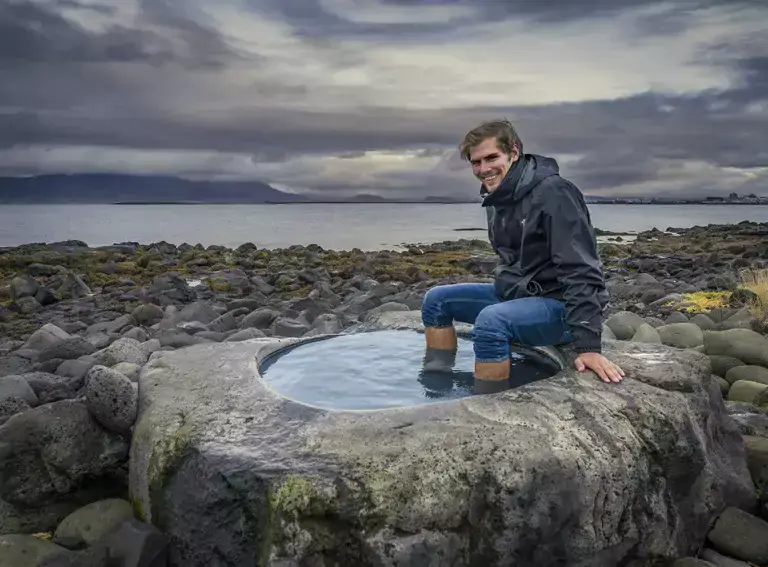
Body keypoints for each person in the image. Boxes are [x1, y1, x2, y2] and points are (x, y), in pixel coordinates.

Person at [421, 119, 624, 394]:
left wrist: (588, 346)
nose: (483, 169)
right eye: (476, 162)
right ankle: (437, 386)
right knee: (436, 301)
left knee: (492, 322)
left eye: (491, 158)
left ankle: (488, 408)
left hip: (561, 308)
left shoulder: (554, 193)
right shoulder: (498, 196)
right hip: (520, 296)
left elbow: (582, 269)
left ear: (514, 152)